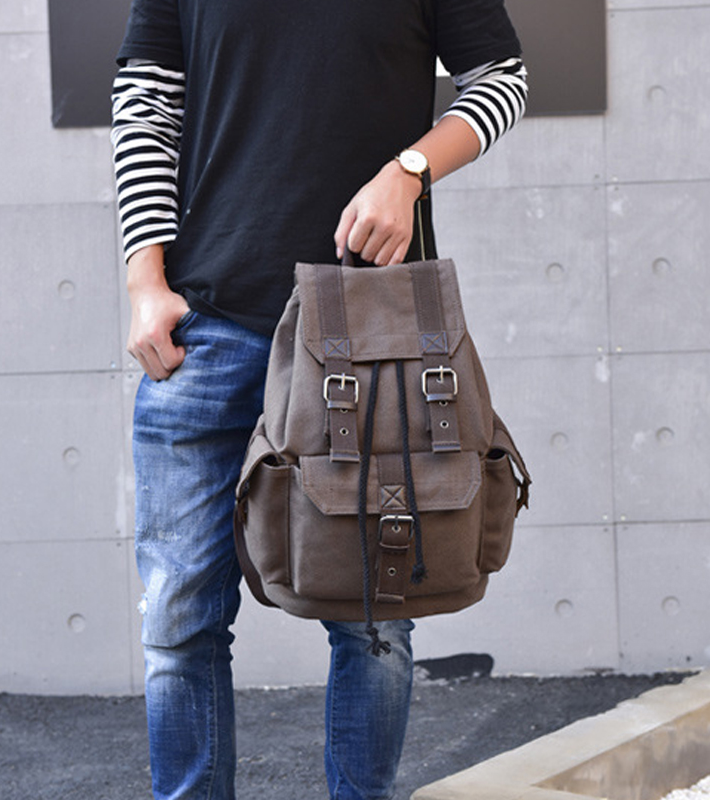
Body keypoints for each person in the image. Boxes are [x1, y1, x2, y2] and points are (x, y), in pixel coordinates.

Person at [111, 2, 527, 798]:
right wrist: (144, 280)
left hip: (369, 331)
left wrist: (409, 170)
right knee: (176, 620)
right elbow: (146, 101)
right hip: (208, 322)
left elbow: (502, 79)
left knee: (376, 621)